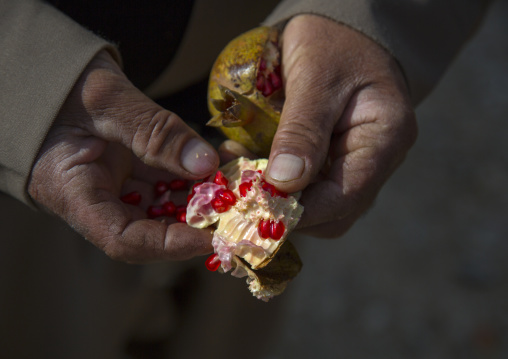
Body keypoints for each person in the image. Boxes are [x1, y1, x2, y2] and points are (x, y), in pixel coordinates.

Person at [0, 0, 495, 357]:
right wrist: (27, 89)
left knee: (229, 327)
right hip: (20, 183)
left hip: (288, 80)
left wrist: (365, 17)